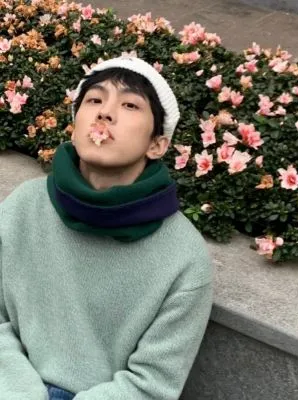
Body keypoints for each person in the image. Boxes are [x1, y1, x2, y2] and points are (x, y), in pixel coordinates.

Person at [0, 56, 213, 399]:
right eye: (94, 100)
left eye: (130, 105)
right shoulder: (24, 206)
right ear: (75, 125)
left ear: (157, 144)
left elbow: (151, 385)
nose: (105, 113)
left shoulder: (184, 257)